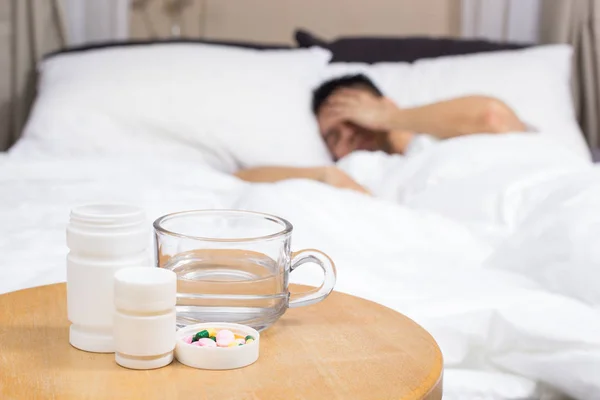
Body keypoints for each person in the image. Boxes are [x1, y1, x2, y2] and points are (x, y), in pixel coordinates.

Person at [236, 74, 526, 193]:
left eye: (353, 117)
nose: (347, 136)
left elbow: (494, 119)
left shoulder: (436, 132)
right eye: (333, 137)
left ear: (385, 104)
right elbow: (237, 179)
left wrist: (388, 118)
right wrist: (324, 175)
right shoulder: (356, 172)